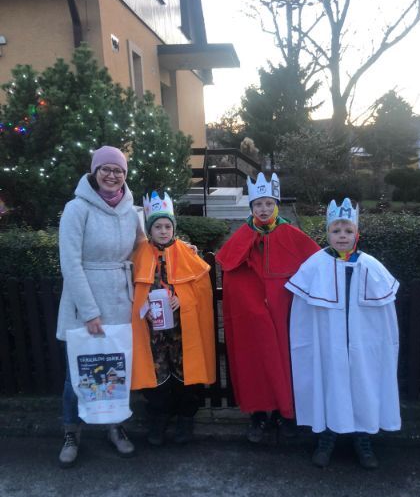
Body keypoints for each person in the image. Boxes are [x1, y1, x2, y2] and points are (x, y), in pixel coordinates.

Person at [286, 198, 401, 469]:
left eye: (348, 231)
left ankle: (363, 439)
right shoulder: (315, 265)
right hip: (328, 342)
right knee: (330, 384)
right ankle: (327, 438)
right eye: (336, 231)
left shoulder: (371, 266)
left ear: (356, 234)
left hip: (362, 343)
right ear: (327, 233)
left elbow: (385, 318)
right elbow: (303, 314)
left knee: (363, 385)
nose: (342, 236)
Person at [56, 146, 145, 467]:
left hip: (120, 301)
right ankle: (71, 432)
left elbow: (143, 247)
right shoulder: (76, 209)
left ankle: (115, 426)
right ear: (94, 173)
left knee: (116, 371)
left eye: (118, 170)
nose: (112, 175)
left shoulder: (131, 211)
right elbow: (70, 263)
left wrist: (176, 248)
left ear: (125, 175)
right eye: (105, 169)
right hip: (84, 304)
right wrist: (89, 312)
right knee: (77, 374)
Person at [215, 173, 319, 443]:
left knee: (286, 360)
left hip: (286, 313)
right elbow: (232, 274)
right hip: (253, 315)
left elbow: (314, 267)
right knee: (256, 361)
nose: (263, 209)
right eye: (258, 204)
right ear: (251, 207)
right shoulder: (242, 236)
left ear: (277, 206)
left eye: (269, 204)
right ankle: (259, 414)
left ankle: (287, 413)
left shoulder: (291, 234)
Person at [130, 191, 216, 446]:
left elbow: (201, 291)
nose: (163, 231)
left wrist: (183, 299)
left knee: (185, 372)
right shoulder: (139, 253)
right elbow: (131, 290)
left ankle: (185, 418)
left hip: (182, 330)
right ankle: (159, 417)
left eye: (168, 226)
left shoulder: (187, 253)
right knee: (156, 373)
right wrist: (142, 305)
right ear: (150, 229)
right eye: (158, 226)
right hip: (152, 331)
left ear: (174, 228)